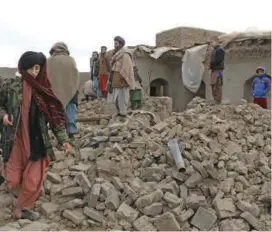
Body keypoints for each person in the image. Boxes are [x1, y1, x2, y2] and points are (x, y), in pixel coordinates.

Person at [0, 51, 72, 220]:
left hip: (37, 141)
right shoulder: (11, 87)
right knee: (12, 178)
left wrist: (64, 141)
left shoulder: (43, 91)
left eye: (38, 68)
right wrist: (3, 115)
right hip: (15, 139)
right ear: (24, 69)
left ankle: (23, 208)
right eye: (32, 68)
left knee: (34, 179)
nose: (35, 72)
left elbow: (55, 120)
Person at [47, 42, 79, 139]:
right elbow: (75, 75)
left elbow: (46, 77)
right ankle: (71, 132)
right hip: (70, 91)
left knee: (56, 113)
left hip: (54, 91)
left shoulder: (49, 61)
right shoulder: (71, 60)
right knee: (70, 111)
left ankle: (59, 135)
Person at [108, 36, 135, 117]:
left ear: (121, 44)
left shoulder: (125, 54)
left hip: (122, 78)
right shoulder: (117, 54)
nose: (115, 45)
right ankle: (118, 112)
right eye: (114, 43)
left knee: (123, 96)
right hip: (115, 78)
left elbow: (127, 68)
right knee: (115, 96)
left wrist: (122, 76)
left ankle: (123, 113)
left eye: (116, 44)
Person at [209, 36, 225, 104]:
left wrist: (211, 64)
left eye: (212, 42)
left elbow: (219, 60)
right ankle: (215, 99)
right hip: (214, 70)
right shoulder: (214, 50)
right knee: (213, 85)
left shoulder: (220, 50)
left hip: (218, 70)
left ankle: (218, 100)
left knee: (217, 84)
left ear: (216, 41)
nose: (211, 44)